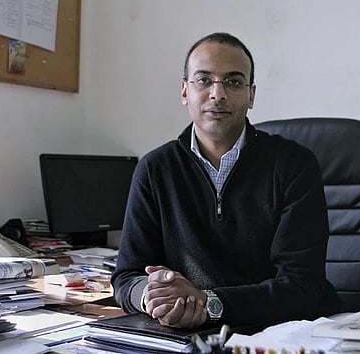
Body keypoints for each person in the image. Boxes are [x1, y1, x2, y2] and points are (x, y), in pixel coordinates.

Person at [111, 32, 340, 330]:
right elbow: (127, 276)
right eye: (204, 80)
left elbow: (303, 285)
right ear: (185, 91)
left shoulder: (294, 164)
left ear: (251, 95)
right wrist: (153, 296)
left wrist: (210, 304)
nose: (217, 94)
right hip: (187, 334)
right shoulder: (155, 169)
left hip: (277, 332)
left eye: (233, 82)